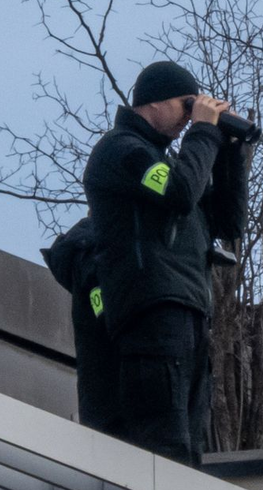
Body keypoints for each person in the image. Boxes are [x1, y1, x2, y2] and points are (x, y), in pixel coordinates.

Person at [83, 60, 248, 465]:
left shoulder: (174, 161)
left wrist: (229, 151)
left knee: (189, 450)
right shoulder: (121, 151)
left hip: (190, 315)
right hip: (151, 315)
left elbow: (229, 223)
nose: (190, 116)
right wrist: (205, 132)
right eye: (186, 104)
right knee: (164, 446)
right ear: (154, 103)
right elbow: (178, 192)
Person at [41, 216, 122, 436]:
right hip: (114, 398)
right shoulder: (93, 258)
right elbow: (105, 314)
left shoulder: (91, 252)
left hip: (104, 397)